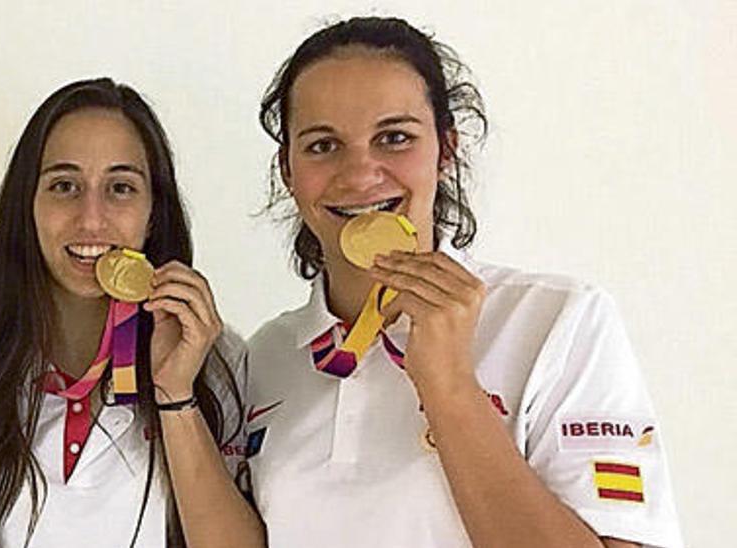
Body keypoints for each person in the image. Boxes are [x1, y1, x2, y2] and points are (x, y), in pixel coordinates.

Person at [244, 16, 683, 548]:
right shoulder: (265, 356)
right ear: (288, 172)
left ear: (445, 149)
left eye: (394, 137)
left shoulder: (558, 320)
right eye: (321, 146)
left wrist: (449, 385)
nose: (360, 174)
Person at [0, 78, 264, 547]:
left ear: (153, 210)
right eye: (64, 185)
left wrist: (175, 394)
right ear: (27, 205)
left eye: (120, 188)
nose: (91, 218)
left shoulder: (214, 360)